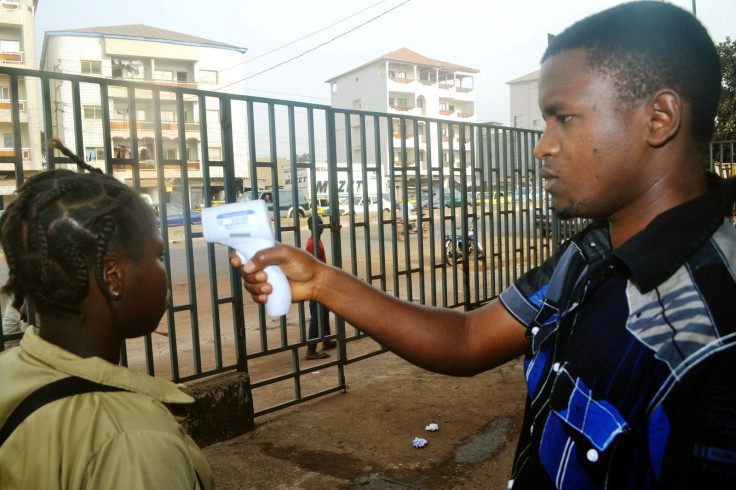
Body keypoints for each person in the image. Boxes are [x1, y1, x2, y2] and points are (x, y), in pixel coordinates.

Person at [233, 2, 735, 488]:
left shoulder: (711, 340)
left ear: (660, 118)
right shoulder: (589, 256)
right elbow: (469, 340)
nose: (542, 145)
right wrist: (322, 281)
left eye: (564, 117)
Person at [0, 140, 213, 489]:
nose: (163, 271)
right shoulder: (134, 440)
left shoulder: (9, 371)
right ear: (113, 277)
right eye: (158, 257)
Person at [305, 215, 336, 360]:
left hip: (321, 283)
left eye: (323, 224)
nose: (322, 226)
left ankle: (326, 340)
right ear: (310, 227)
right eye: (319, 224)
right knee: (316, 315)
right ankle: (311, 350)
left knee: (323, 312)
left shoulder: (316, 241)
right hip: (316, 284)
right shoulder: (312, 244)